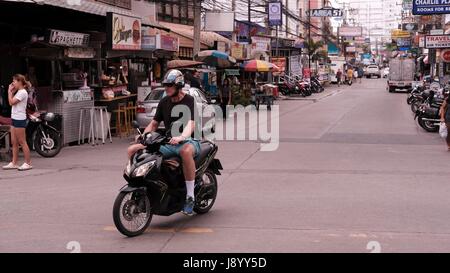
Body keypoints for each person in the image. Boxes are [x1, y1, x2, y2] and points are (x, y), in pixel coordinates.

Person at [127, 70, 200, 215]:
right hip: (167, 142)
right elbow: (154, 123)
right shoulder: (164, 101)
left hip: (188, 141)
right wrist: (144, 136)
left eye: (170, 85)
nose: (166, 88)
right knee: (132, 150)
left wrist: (181, 137)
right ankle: (141, 185)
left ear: (178, 86)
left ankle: (190, 196)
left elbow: (191, 123)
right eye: (165, 85)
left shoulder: (189, 100)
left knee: (185, 152)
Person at [3, 74, 32, 171]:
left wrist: (9, 92)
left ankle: (28, 163)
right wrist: (12, 90)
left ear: (20, 82)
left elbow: (11, 102)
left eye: (14, 81)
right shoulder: (19, 91)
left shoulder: (22, 92)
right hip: (14, 118)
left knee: (22, 141)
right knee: (14, 142)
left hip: (20, 119)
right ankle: (14, 162)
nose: (13, 83)